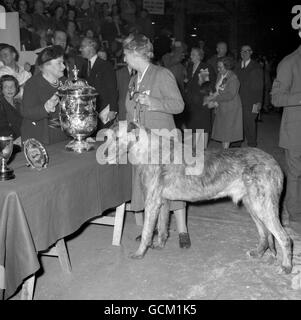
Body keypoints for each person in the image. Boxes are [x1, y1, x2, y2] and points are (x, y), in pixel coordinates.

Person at [122, 33, 190, 248]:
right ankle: (150, 231)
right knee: (149, 190)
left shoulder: (162, 74)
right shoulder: (133, 79)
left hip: (164, 142)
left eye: (126, 55)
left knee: (174, 188)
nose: (124, 59)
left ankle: (182, 231)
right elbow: (130, 111)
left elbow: (179, 105)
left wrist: (153, 102)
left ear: (136, 54)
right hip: (142, 147)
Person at [271, 45, 301, 224]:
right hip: (296, 130)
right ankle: (296, 216)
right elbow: (276, 98)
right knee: (296, 173)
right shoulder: (289, 62)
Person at [21, 45, 68, 145]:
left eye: (63, 63)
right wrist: (45, 108)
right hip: (40, 138)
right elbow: (26, 112)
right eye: (59, 63)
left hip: (64, 135)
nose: (64, 66)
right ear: (47, 65)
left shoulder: (65, 82)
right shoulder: (33, 84)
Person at [204, 56, 243, 149]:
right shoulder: (220, 75)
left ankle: (225, 154)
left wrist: (214, 99)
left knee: (227, 133)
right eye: (218, 67)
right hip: (222, 107)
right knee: (223, 132)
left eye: (220, 67)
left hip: (231, 108)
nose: (218, 69)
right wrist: (212, 95)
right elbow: (218, 90)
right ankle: (225, 152)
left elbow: (230, 95)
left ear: (227, 67)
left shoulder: (233, 78)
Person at [80, 37, 118, 128]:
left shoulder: (105, 65)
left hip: (104, 111)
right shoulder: (84, 66)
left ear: (91, 47)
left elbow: (112, 88)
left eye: (82, 46)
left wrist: (113, 109)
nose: (80, 49)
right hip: (89, 111)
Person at [184, 47, 216, 148]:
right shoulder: (190, 67)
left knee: (202, 126)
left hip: (201, 102)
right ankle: (191, 148)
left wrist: (203, 101)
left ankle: (201, 151)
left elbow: (205, 87)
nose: (190, 56)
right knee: (192, 125)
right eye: (191, 54)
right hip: (191, 102)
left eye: (193, 54)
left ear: (199, 56)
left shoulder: (204, 67)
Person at [235, 45, 263, 147]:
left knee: (250, 124)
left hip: (252, 102)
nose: (244, 53)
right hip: (238, 101)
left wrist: (259, 102)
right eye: (242, 51)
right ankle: (236, 146)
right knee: (238, 124)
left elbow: (260, 86)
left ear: (251, 52)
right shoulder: (237, 66)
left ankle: (252, 147)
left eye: (247, 51)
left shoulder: (256, 66)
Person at [0, 75, 23, 139]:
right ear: (1, 89)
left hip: (25, 137)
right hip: (10, 141)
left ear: (16, 88)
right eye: (6, 87)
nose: (10, 89)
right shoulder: (1, 104)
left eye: (12, 86)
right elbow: (3, 129)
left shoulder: (19, 103)